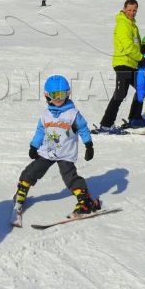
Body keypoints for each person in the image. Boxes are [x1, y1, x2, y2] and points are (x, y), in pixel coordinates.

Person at [11, 75, 99, 225]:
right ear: (47, 95)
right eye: (55, 95)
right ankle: (21, 192)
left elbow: (83, 129)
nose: (59, 98)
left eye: (62, 94)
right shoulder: (45, 115)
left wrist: (89, 145)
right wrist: (34, 146)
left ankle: (85, 201)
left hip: (65, 154)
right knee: (31, 171)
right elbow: (40, 131)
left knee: (70, 177)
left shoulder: (73, 114)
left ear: (68, 94)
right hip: (47, 152)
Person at [97, 0, 145, 130]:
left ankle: (135, 118)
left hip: (132, 64)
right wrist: (141, 58)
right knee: (120, 94)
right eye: (129, 10)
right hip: (123, 63)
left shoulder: (132, 25)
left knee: (142, 88)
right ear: (124, 9)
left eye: (134, 10)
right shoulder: (123, 24)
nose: (132, 12)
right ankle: (106, 124)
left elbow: (136, 45)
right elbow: (128, 47)